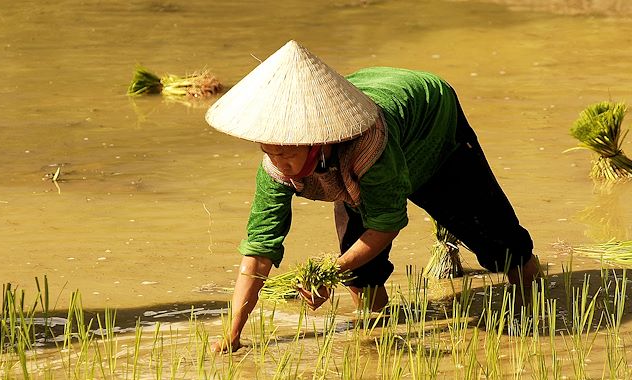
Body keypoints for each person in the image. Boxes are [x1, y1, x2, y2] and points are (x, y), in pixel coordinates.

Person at [205, 40, 538, 353]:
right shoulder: (276, 171)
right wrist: (233, 334)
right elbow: (258, 252)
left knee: (497, 239)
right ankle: (379, 332)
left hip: (428, 118)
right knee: (360, 272)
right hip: (362, 130)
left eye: (288, 153)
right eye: (270, 152)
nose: (281, 163)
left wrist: (330, 272)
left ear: (318, 140)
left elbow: (386, 224)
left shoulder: (369, 150)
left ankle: (535, 301)